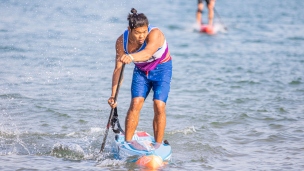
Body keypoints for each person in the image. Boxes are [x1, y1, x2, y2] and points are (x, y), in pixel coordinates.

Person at [108, 8, 172, 147]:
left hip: (162, 70)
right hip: (142, 72)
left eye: (144, 32)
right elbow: (118, 70)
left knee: (159, 105)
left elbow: (147, 53)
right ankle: (128, 143)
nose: (142, 36)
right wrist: (113, 96)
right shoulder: (121, 42)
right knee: (136, 103)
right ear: (129, 29)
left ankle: (158, 145)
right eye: (137, 32)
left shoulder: (155, 34)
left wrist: (130, 56)